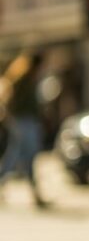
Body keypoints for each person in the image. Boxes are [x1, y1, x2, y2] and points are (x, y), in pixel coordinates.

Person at [0, 51, 48, 208]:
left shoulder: (22, 77)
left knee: (20, 156)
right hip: (24, 122)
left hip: (24, 121)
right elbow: (14, 102)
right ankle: (35, 193)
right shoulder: (24, 79)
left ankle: (35, 193)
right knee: (23, 156)